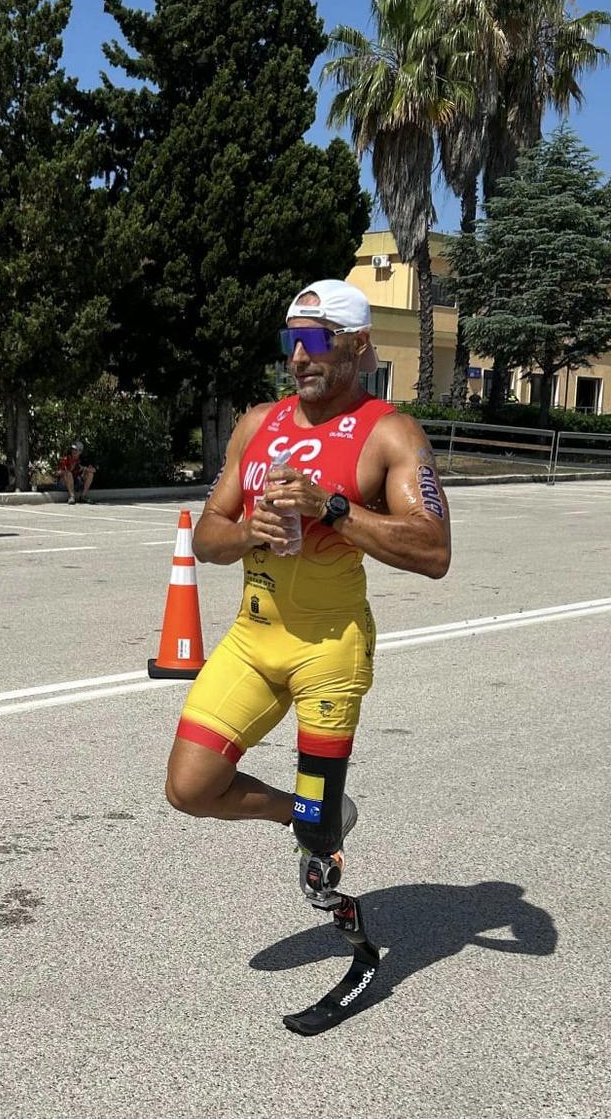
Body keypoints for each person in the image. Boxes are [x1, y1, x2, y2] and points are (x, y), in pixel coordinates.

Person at [165, 279, 450, 918]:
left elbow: (434, 551)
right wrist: (244, 532)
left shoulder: (391, 434)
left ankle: (322, 841)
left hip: (329, 649)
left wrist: (335, 509)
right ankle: (306, 816)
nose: (299, 356)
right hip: (252, 640)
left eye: (317, 341)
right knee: (190, 787)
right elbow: (207, 537)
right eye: (292, 340)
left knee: (320, 829)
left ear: (359, 347)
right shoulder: (257, 424)